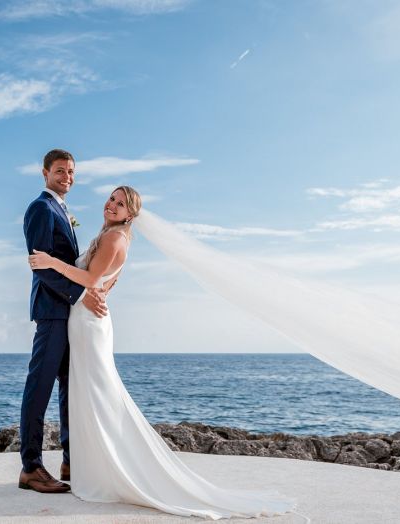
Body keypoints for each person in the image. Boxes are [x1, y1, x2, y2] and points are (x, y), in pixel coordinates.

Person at [28, 186, 296, 519]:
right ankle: (91, 463)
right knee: (90, 392)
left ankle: (108, 466)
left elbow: (90, 278)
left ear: (131, 215)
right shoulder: (112, 235)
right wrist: (95, 290)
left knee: (97, 391)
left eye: (120, 204)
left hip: (88, 325)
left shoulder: (114, 239)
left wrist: (51, 262)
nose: (112, 205)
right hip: (87, 321)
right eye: (112, 199)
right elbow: (105, 284)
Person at [18, 149, 108, 494]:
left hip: (68, 313)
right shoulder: (41, 208)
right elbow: (41, 266)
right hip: (52, 312)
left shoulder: (63, 209)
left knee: (71, 388)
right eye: (60, 171)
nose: (66, 176)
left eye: (71, 171)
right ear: (45, 173)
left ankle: (71, 459)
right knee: (39, 388)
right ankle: (31, 467)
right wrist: (81, 295)